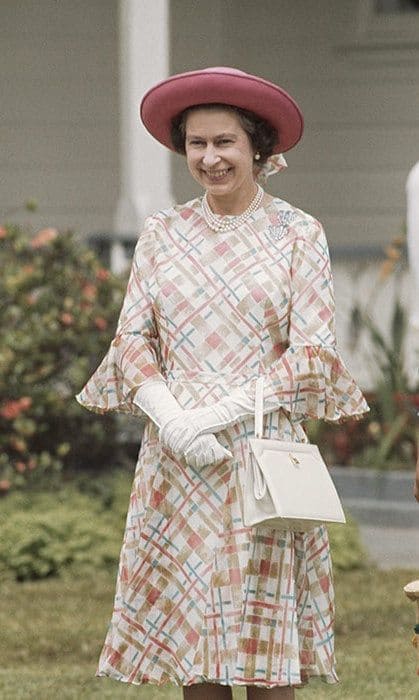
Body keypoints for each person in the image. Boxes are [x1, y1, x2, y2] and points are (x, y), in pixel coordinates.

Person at [77, 67, 369, 699]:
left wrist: (211, 417)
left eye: (225, 142)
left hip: (258, 455)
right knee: (197, 654)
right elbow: (132, 341)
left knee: (261, 652)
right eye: (197, 144)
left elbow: (311, 353)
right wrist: (172, 417)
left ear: (259, 147)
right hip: (177, 459)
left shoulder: (298, 233)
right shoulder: (162, 232)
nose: (210, 158)